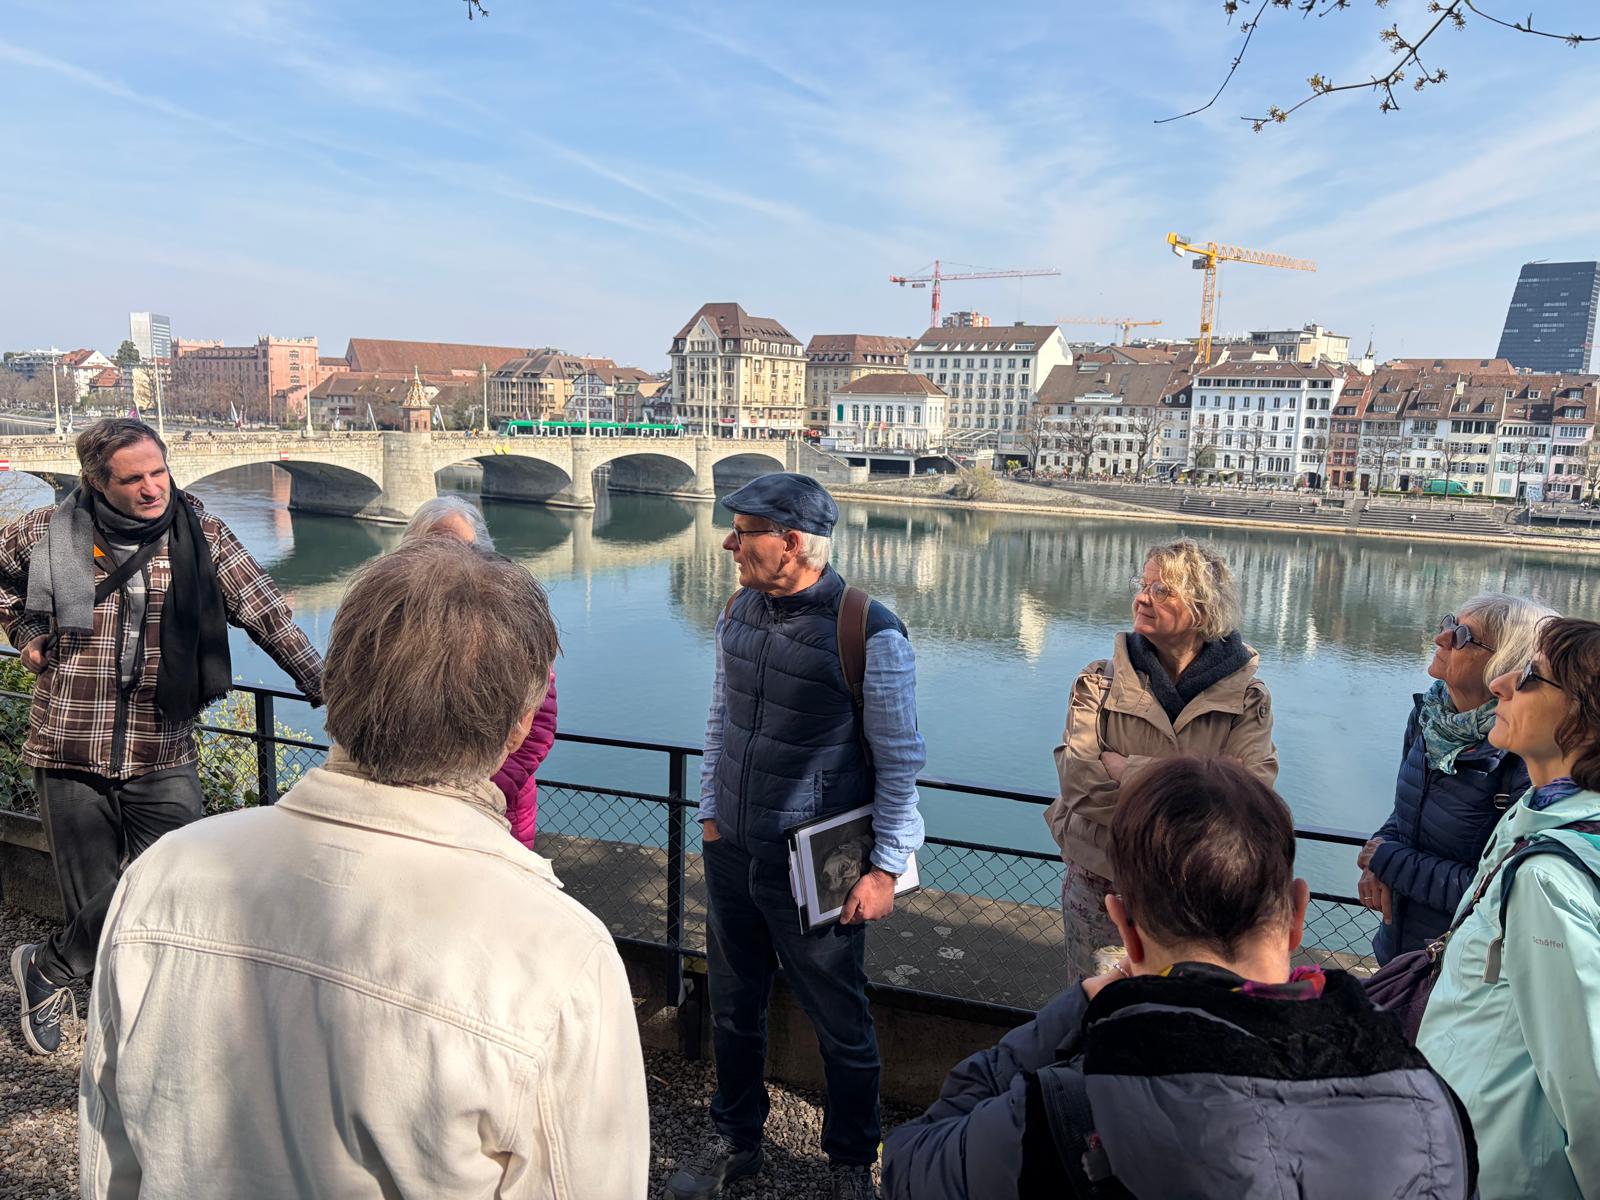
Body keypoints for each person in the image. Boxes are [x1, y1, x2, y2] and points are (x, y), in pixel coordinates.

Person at [78, 538, 649, 1198]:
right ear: (520, 727)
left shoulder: (164, 876)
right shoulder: (557, 955)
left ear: (338, 683)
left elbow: (110, 1154)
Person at [883, 756, 1477, 1200]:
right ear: (1297, 914)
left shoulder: (1066, 1108)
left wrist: (1075, 1010)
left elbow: (908, 1166)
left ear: (1126, 930)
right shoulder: (1432, 1106)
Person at [0, 418, 324, 1056]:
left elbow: (265, 611)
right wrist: (23, 632)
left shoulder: (200, 533)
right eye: (134, 479)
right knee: (93, 898)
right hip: (69, 740)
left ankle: (46, 967)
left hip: (160, 743)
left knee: (180, 880)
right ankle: (120, 1042)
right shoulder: (46, 532)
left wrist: (330, 692)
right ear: (97, 483)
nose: (153, 489)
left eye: (159, 471)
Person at [666, 473, 925, 1200]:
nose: (729, 543)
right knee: (732, 1004)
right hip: (735, 852)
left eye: (744, 532)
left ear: (792, 542)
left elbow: (902, 761)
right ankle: (736, 1136)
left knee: (841, 1018)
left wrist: (885, 867)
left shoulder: (869, 631)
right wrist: (712, 816)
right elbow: (722, 719)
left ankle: (849, 1163)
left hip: (819, 864)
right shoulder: (737, 611)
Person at [1417, 617, 1600, 1199]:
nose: (1501, 685)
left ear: (1585, 717)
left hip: (1497, 1171)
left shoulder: (1549, 879)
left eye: (1529, 678)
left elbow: (1588, 1086)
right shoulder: (1543, 813)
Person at [1044, 537, 1277, 982]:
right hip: (1102, 885)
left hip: (1195, 894)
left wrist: (1126, 768)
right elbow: (1081, 784)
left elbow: (1249, 797)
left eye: (1162, 590)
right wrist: (1199, 792)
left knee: (1180, 1019)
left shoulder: (1247, 698)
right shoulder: (1097, 683)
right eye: (1143, 583)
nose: (1142, 597)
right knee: (1096, 1009)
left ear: (1203, 610)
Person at [1357, 596, 1554, 963]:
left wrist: (1390, 860)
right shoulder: (1428, 717)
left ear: (1506, 664)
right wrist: (1380, 847)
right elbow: (1408, 808)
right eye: (1448, 622)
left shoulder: (1525, 753)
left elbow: (1504, 890)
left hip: (1468, 967)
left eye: (1462, 636)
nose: (1441, 638)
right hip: (1400, 950)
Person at [403, 496, 558, 847]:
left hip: (495, 810)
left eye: (458, 547)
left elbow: (537, 729)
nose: (447, 559)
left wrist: (476, 793)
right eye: (432, 546)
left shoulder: (512, 613)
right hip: (409, 809)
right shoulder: (391, 616)